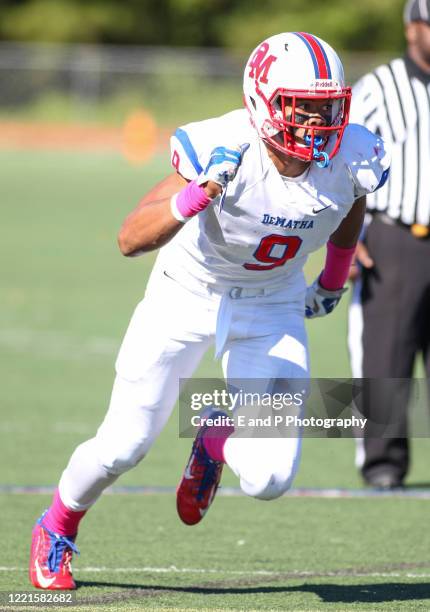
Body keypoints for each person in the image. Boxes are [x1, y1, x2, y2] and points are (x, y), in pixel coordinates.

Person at [29, 31, 389, 590]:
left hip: (272, 304)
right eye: (302, 109)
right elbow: (130, 238)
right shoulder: (223, 144)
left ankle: (216, 434)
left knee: (270, 477)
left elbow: (351, 200)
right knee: (124, 445)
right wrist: (194, 195)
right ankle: (58, 524)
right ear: (262, 101)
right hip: (187, 292)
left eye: (326, 109)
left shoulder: (350, 155)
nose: (318, 125)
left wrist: (334, 277)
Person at [348, 0, 430, 490]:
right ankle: (383, 466)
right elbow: (339, 158)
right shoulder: (379, 87)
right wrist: (347, 233)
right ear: (413, 26)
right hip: (395, 237)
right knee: (385, 356)